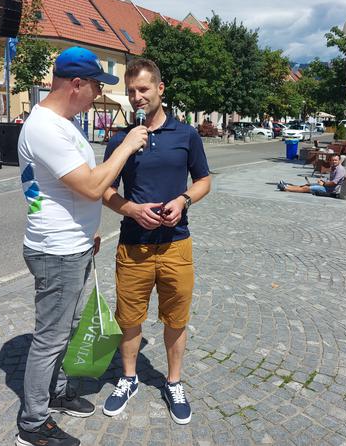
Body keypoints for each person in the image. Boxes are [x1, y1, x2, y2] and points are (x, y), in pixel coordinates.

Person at [15, 47, 148, 446]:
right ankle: (33, 424)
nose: (97, 93)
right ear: (76, 85)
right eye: (95, 85)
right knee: (50, 337)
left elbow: (81, 183)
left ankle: (54, 393)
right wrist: (127, 145)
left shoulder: (64, 122)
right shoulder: (45, 127)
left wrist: (93, 225)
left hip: (72, 244)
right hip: (55, 250)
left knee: (71, 328)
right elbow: (92, 185)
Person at [101, 58, 211, 425]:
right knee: (129, 318)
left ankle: (174, 381)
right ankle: (128, 378)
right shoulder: (119, 140)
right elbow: (105, 191)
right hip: (133, 245)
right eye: (132, 91)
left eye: (143, 89)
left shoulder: (186, 135)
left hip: (176, 244)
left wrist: (184, 200)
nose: (137, 97)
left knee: (175, 318)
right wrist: (130, 209)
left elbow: (204, 180)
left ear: (160, 90)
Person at [277, 153, 345, 196]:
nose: (333, 162)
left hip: (331, 190)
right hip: (328, 186)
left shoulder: (340, 169)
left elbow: (333, 183)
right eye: (332, 160)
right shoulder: (334, 167)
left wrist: (323, 184)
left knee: (307, 188)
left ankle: (285, 188)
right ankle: (288, 186)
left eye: (335, 160)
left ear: (339, 160)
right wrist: (323, 182)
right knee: (307, 185)